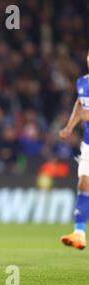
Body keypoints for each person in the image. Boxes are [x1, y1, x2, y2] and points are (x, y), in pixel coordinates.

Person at [59, 51, 89, 250]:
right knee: (84, 183)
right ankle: (79, 233)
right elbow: (80, 104)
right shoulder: (82, 82)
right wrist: (70, 126)